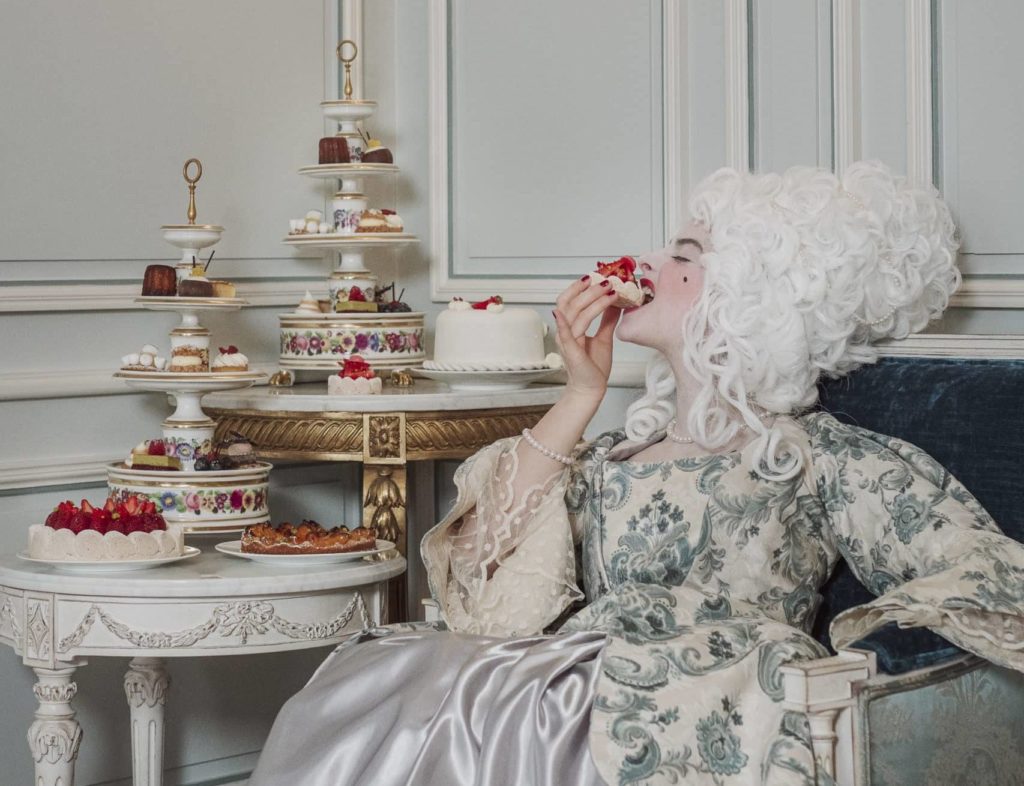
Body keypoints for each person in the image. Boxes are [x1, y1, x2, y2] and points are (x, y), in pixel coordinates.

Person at [249, 162, 1024, 786]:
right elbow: (482, 583)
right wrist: (580, 393)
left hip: (706, 682)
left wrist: (867, 645)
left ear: (748, 301)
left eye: (684, 255)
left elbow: (975, 565)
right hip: (568, 675)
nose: (650, 262)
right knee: (404, 674)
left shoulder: (809, 457)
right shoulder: (607, 455)